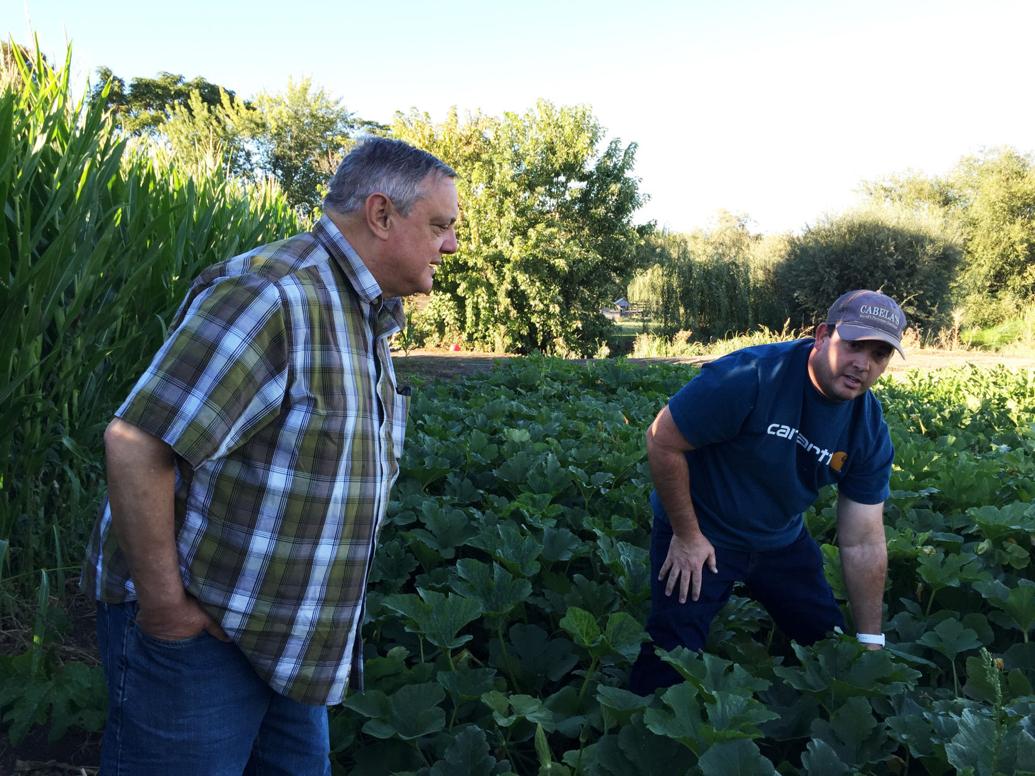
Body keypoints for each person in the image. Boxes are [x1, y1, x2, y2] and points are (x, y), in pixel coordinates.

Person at [81, 136, 459, 773]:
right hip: (202, 644)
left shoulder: (359, 311)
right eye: (441, 225)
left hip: (289, 646)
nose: (450, 244)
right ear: (381, 214)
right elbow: (137, 444)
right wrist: (167, 611)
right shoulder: (275, 295)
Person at [629, 289, 906, 695]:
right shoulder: (750, 376)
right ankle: (639, 734)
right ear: (823, 335)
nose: (862, 364)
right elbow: (661, 441)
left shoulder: (868, 430)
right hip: (705, 531)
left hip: (780, 540)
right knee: (671, 658)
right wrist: (686, 536)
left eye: (879, 354)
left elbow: (864, 541)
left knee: (829, 648)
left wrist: (870, 641)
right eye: (853, 345)